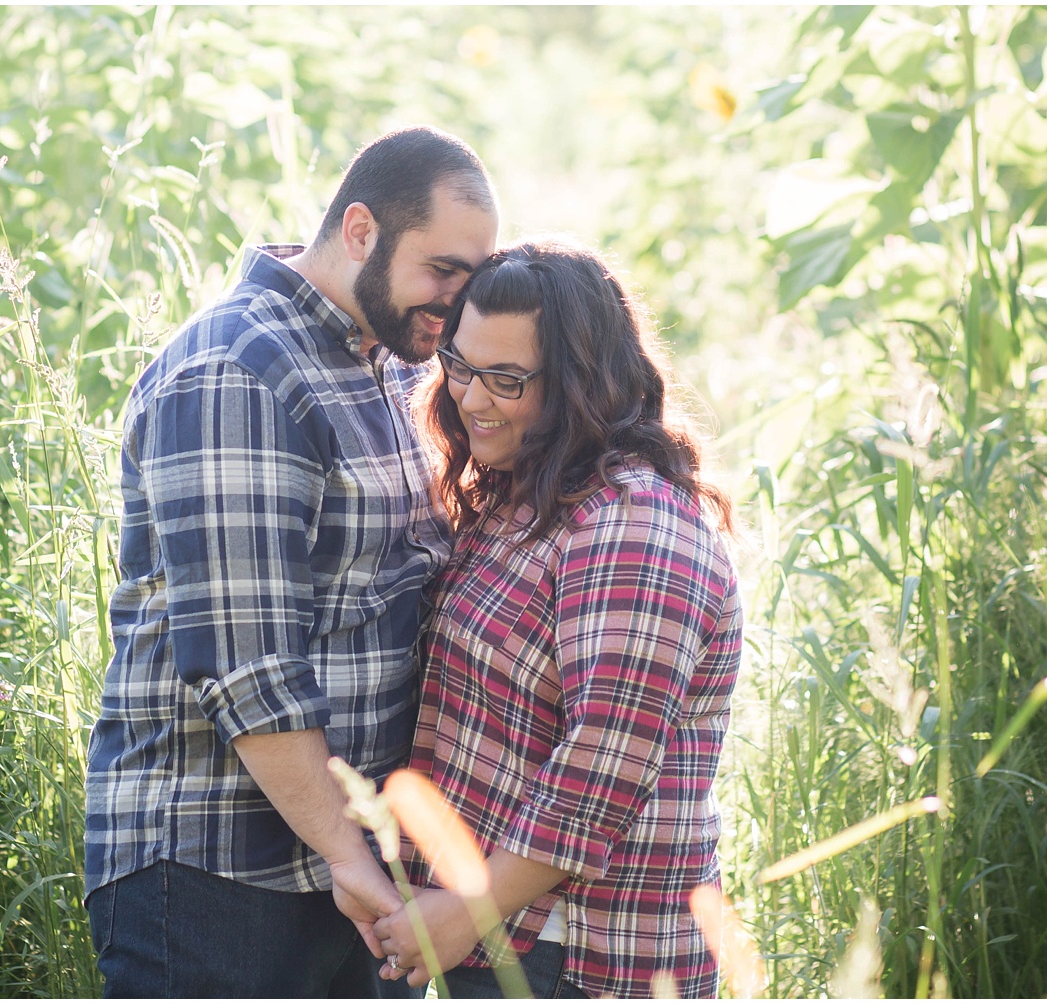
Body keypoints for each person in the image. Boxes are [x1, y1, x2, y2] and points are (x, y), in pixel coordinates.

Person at [83, 126, 499, 998]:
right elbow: (246, 660)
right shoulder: (240, 371)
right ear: (359, 231)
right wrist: (348, 852)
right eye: (442, 272)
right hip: (217, 874)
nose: (456, 303)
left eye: (473, 278)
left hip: (343, 871)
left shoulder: (381, 359)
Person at [372, 239, 743, 999]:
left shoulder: (634, 524)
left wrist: (465, 911)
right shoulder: (532, 501)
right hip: (515, 937)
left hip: (583, 956)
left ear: (580, 382)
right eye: (461, 365)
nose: (471, 398)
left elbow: (602, 767)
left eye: (506, 379)